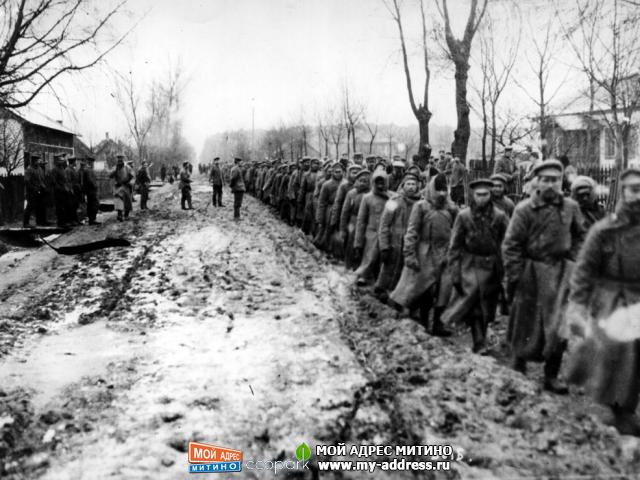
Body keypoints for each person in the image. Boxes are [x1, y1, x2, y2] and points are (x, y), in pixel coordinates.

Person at [565, 168, 640, 435]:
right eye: (633, 189)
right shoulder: (604, 230)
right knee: (619, 356)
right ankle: (619, 411)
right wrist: (577, 306)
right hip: (612, 299)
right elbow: (584, 270)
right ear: (623, 193)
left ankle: (625, 409)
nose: (638, 195)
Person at [502, 159, 585, 394]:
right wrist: (515, 275)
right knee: (525, 321)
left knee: (559, 325)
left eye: (555, 180)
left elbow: (581, 236)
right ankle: (519, 366)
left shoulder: (570, 207)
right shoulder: (524, 209)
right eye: (545, 180)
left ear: (562, 182)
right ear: (536, 182)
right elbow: (511, 245)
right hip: (531, 273)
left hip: (560, 274)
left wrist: (574, 261)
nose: (550, 185)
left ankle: (551, 375)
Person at [443, 179, 509, 353]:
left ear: (490, 195)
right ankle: (479, 341)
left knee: (488, 306)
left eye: (485, 194)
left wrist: (505, 268)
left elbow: (507, 242)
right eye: (478, 195)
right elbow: (455, 245)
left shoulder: (500, 216)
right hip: (470, 265)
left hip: (492, 266)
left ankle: (482, 335)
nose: (482, 199)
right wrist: (455, 272)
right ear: (473, 195)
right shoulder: (464, 216)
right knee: (475, 307)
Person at [389, 174, 457, 337]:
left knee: (444, 290)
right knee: (425, 288)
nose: (441, 194)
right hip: (425, 252)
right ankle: (422, 322)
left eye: (443, 190)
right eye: (438, 190)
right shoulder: (421, 207)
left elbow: (456, 229)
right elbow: (411, 232)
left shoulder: (451, 208)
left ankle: (438, 325)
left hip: (445, 253)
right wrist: (409, 254)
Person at [373, 172, 422, 302]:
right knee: (388, 269)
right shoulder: (393, 201)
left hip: (411, 244)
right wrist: (384, 246)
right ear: (403, 185)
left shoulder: (421, 204)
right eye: (408, 184)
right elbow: (384, 225)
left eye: (413, 184)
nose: (411, 187)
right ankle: (381, 292)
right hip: (394, 243)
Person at [354, 168, 389, 286]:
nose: (380, 185)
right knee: (370, 255)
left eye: (382, 182)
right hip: (371, 232)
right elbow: (361, 220)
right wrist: (358, 242)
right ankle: (364, 275)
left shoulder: (392, 198)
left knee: (385, 257)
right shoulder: (367, 198)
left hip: (386, 232)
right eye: (377, 181)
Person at [340, 169, 370, 270]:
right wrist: (343, 228)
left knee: (363, 243)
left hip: (366, 222)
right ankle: (349, 265)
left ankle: (360, 266)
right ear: (356, 181)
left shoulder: (370, 194)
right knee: (350, 242)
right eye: (360, 180)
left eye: (365, 181)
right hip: (353, 220)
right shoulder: (351, 193)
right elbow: (345, 212)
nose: (362, 183)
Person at [329, 164, 359, 258]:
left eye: (358, 173)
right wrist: (334, 218)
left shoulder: (364, 186)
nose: (356, 175)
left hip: (357, 216)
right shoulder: (344, 186)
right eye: (353, 172)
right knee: (344, 236)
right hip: (345, 215)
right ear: (349, 173)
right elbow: (337, 203)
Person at [314, 162, 343, 251]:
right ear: (332, 172)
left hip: (342, 209)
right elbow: (321, 202)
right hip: (329, 209)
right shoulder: (326, 185)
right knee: (328, 228)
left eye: (340, 171)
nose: (338, 174)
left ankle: (337, 249)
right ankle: (324, 246)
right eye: (336, 172)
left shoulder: (345, 184)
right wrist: (320, 217)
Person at [23, 155, 48, 227]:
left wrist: (44, 187)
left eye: (39, 160)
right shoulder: (29, 169)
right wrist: (34, 189)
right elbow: (27, 181)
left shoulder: (39, 169)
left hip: (40, 190)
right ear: (33, 161)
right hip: (32, 192)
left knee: (41, 206)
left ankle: (42, 221)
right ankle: (26, 223)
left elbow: (42, 179)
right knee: (30, 207)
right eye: (37, 160)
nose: (39, 162)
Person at [298, 158, 320, 235]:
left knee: (317, 215)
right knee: (308, 214)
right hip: (309, 196)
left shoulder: (321, 174)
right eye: (314, 164)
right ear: (311, 165)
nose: (316, 165)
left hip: (318, 197)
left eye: (317, 164)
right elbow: (302, 188)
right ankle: (305, 231)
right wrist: (300, 199)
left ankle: (315, 233)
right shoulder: (306, 175)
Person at [110, 155, 134, 221]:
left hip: (126, 186)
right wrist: (115, 170)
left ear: (123, 160)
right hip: (118, 186)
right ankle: (119, 215)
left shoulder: (127, 167)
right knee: (119, 201)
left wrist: (128, 181)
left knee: (128, 201)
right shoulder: (115, 168)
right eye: (119, 160)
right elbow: (110, 175)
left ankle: (126, 215)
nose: (120, 161)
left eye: (121, 160)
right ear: (117, 161)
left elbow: (132, 175)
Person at [52, 155, 72, 227]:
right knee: (60, 207)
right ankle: (60, 223)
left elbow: (65, 180)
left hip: (64, 190)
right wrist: (59, 188)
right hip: (59, 191)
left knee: (64, 207)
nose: (62, 162)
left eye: (63, 160)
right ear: (57, 161)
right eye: (60, 160)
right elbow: (54, 181)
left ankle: (64, 221)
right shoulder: (55, 170)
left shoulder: (62, 169)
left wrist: (67, 188)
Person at [81, 157, 100, 225]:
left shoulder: (89, 170)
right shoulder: (88, 170)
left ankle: (92, 219)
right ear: (90, 162)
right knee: (93, 205)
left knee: (93, 205)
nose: (93, 164)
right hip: (91, 191)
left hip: (91, 191)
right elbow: (90, 180)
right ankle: (92, 220)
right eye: (92, 162)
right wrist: (95, 185)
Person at [66, 157, 82, 225]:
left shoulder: (73, 169)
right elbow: (68, 181)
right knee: (71, 206)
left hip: (76, 190)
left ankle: (75, 220)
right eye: (75, 161)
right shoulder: (68, 170)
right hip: (71, 191)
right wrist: (71, 190)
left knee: (75, 206)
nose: (76, 163)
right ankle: (71, 220)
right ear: (72, 162)